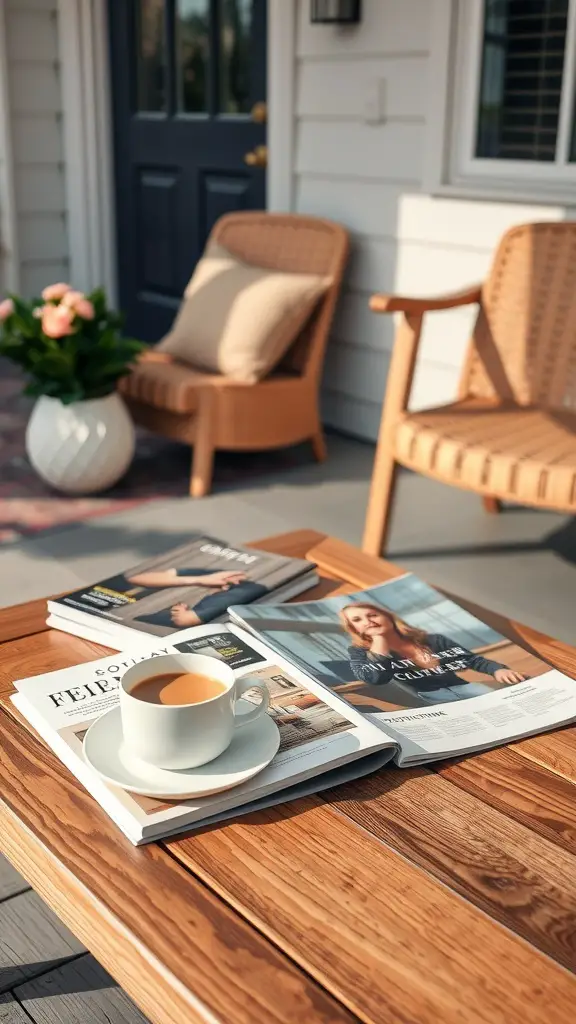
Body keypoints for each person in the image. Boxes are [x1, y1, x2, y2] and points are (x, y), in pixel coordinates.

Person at [339, 602, 525, 706]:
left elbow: (471, 660)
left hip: (466, 688)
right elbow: (375, 679)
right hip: (428, 700)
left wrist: (498, 670)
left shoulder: (434, 639)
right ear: (353, 628)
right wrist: (379, 640)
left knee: (508, 705)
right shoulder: (358, 651)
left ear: (387, 617)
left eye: (372, 615)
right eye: (357, 619)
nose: (368, 621)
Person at [126, 567, 267, 627]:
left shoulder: (244, 590)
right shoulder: (217, 575)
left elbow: (184, 620)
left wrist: (179, 612)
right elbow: (137, 579)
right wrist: (199, 579)